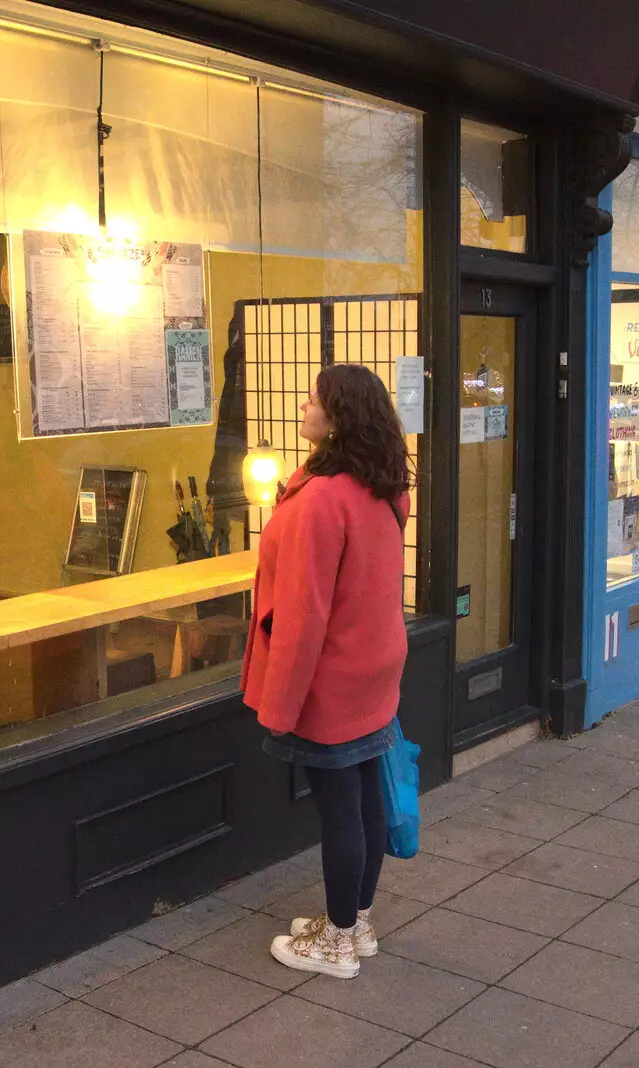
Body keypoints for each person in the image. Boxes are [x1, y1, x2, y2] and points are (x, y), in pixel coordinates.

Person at [241, 362, 411, 980]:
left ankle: (338, 942)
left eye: (314, 401)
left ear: (338, 418)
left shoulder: (322, 501)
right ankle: (357, 922)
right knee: (364, 799)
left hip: (331, 680)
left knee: (341, 810)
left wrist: (279, 708)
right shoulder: (382, 485)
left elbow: (304, 614)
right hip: (374, 668)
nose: (304, 408)